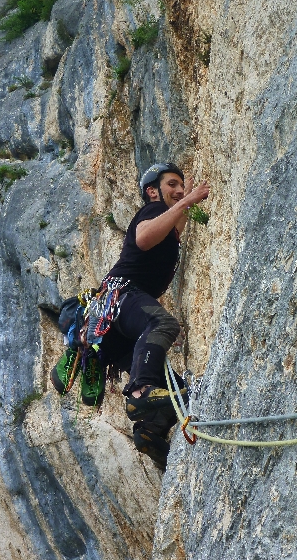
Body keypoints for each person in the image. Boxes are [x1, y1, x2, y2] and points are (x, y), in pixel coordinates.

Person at [51, 162, 210, 470]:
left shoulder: (167, 219)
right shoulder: (150, 211)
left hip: (112, 328)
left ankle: (150, 430)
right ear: (152, 191)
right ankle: (141, 392)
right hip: (121, 297)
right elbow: (144, 239)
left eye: (180, 185)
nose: (177, 190)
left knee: (180, 393)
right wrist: (187, 200)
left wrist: (184, 200)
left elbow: (172, 229)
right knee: (162, 323)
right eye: (171, 185)